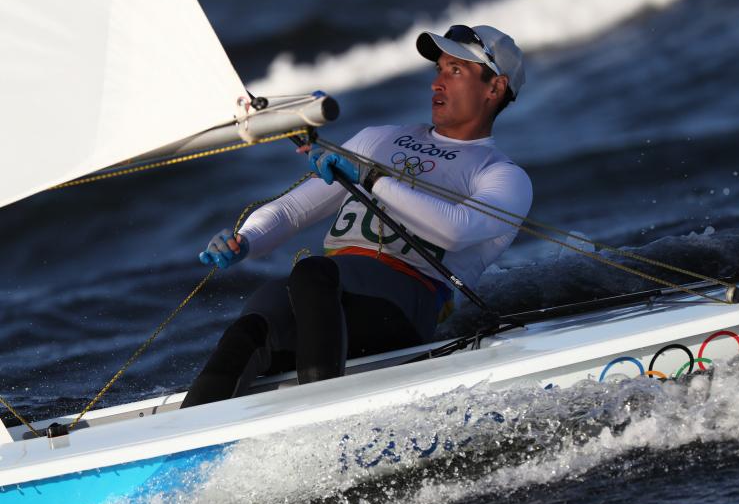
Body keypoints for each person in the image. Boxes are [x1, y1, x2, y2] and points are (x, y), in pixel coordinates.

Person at [180, 24, 533, 408]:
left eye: (455, 71)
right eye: (438, 70)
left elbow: (455, 232)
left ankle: (322, 414)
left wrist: (371, 177)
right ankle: (181, 438)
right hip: (327, 299)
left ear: (494, 88)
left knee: (313, 273)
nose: (437, 83)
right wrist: (244, 241)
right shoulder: (378, 139)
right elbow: (293, 209)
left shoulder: (502, 175)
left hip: (404, 305)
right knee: (251, 327)